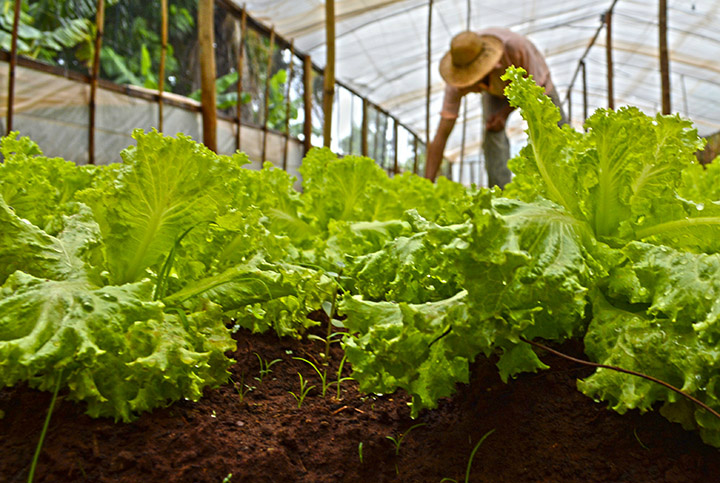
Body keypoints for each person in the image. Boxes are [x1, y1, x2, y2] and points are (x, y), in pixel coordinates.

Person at [425, 28, 567, 187]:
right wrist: (426, 183)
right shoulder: (456, 81)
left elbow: (535, 92)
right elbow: (442, 132)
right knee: (492, 131)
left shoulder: (516, 48)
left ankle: (565, 184)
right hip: (495, 91)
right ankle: (502, 193)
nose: (470, 89)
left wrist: (504, 114)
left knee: (554, 127)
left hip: (536, 83)